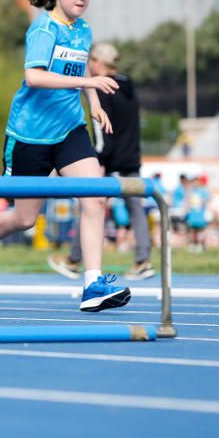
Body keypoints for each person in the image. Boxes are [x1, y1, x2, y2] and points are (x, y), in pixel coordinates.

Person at [0, 0, 131, 312]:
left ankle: (92, 283)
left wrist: (93, 101)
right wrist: (88, 81)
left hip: (69, 130)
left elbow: (79, 67)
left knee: (95, 197)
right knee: (23, 219)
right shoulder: (42, 29)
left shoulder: (83, 30)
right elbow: (35, 77)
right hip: (29, 136)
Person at [49, 42, 154, 280]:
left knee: (91, 207)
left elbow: (102, 132)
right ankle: (143, 259)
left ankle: (74, 259)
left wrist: (99, 160)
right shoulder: (128, 85)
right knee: (135, 210)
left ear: (97, 62)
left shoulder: (102, 89)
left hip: (110, 160)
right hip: (131, 157)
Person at [186, 175, 211, 252]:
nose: (195, 184)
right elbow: (187, 202)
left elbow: (208, 198)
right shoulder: (190, 191)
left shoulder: (203, 191)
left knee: (201, 232)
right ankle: (192, 246)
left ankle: (202, 246)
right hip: (192, 215)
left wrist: (204, 202)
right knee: (192, 231)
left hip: (200, 216)